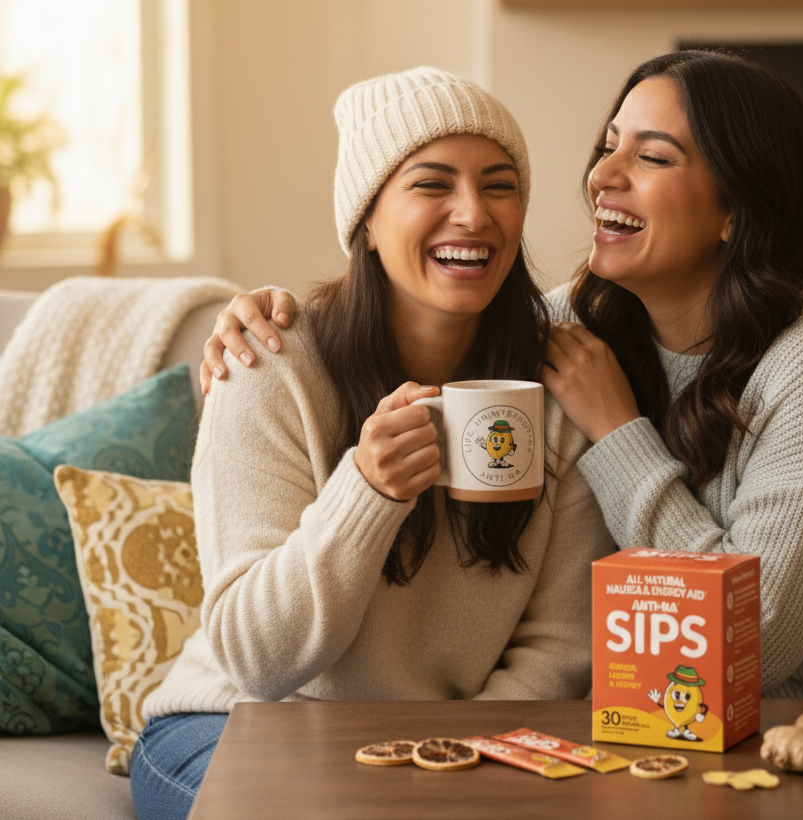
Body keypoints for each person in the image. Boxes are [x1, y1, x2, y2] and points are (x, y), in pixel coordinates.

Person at [201, 51, 803, 791]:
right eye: (608, 145)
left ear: (738, 208)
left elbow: (746, 646)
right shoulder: (578, 327)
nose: (602, 177)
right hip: (682, 728)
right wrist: (264, 314)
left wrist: (619, 436)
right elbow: (445, 293)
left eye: (651, 158)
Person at [130, 67, 615, 820]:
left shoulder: (562, 384)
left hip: (451, 740)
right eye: (431, 185)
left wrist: (460, 770)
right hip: (238, 722)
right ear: (366, 221)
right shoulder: (271, 366)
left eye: (498, 185)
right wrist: (366, 491)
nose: (472, 214)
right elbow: (257, 662)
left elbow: (558, 651)